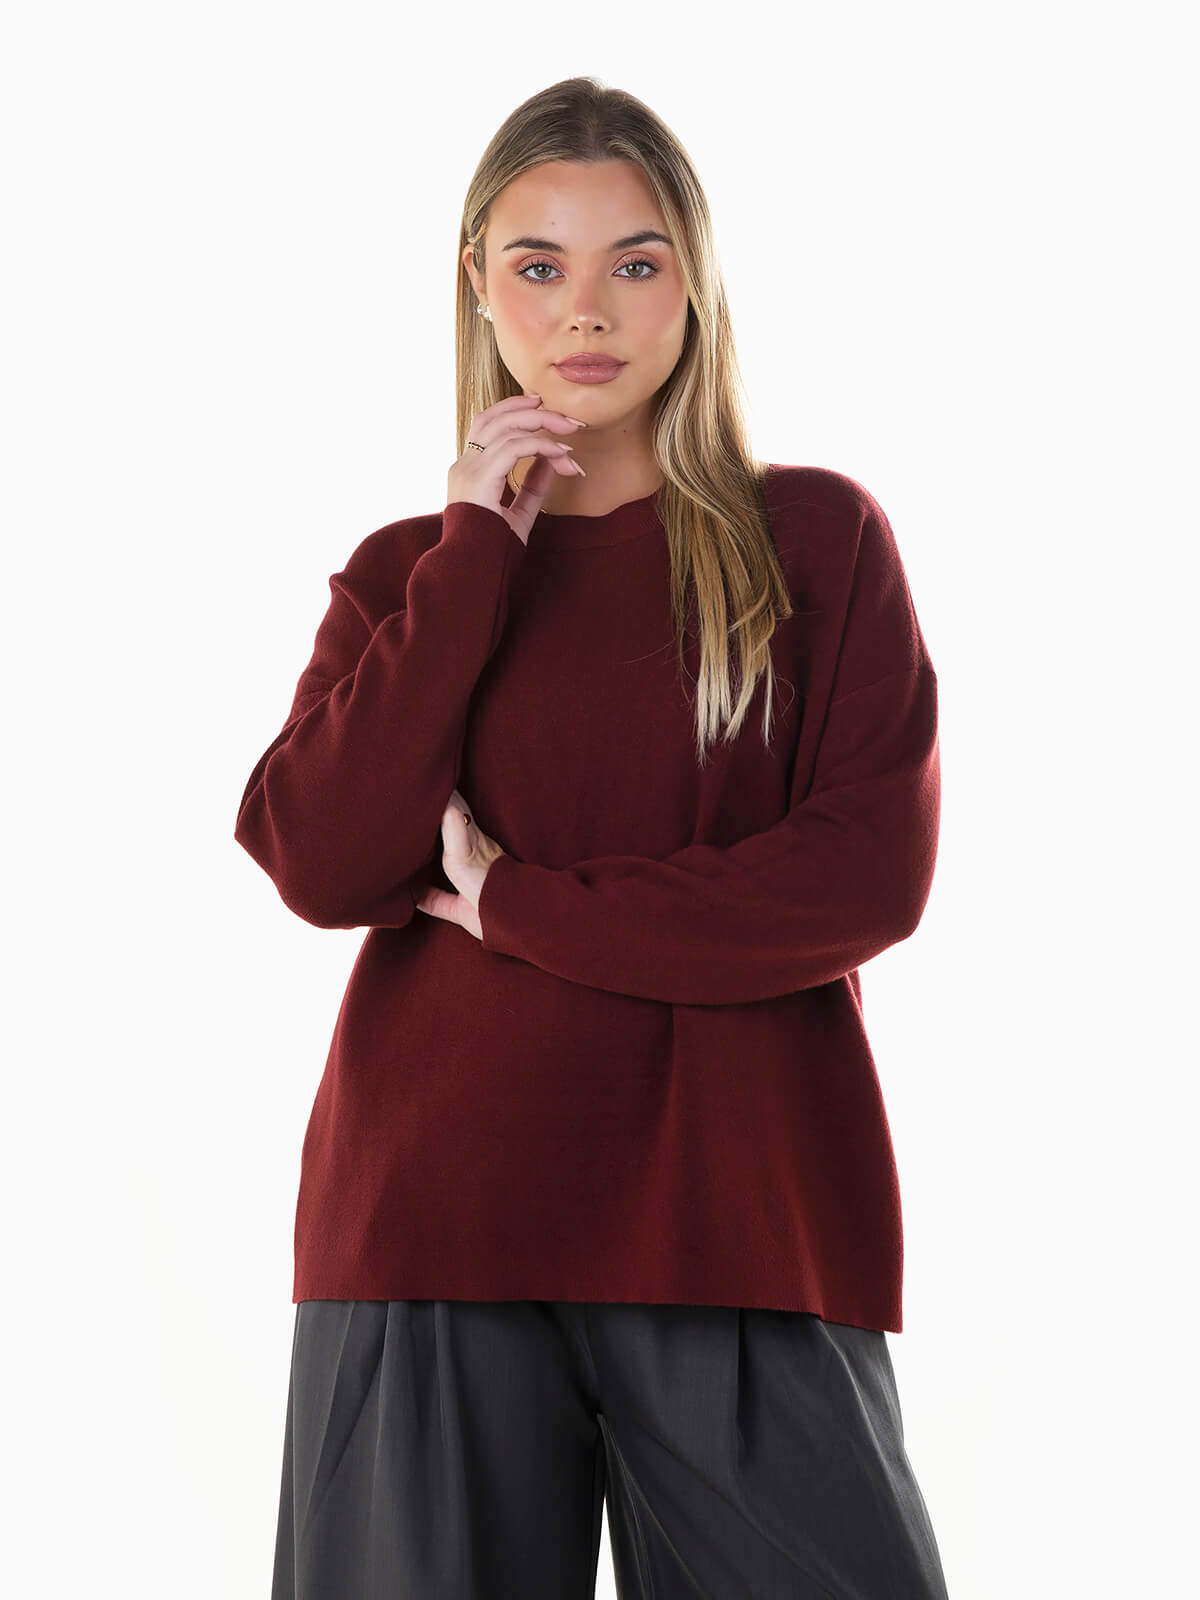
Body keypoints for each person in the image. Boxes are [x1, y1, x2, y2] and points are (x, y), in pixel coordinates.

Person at [235, 75, 951, 1600]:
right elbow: (324, 858)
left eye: (634, 261)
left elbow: (863, 875)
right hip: (431, 1231)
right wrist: (474, 554)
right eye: (538, 263)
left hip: (741, 1224)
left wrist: (524, 910)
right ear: (478, 286)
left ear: (693, 280)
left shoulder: (817, 545)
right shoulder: (407, 577)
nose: (587, 309)